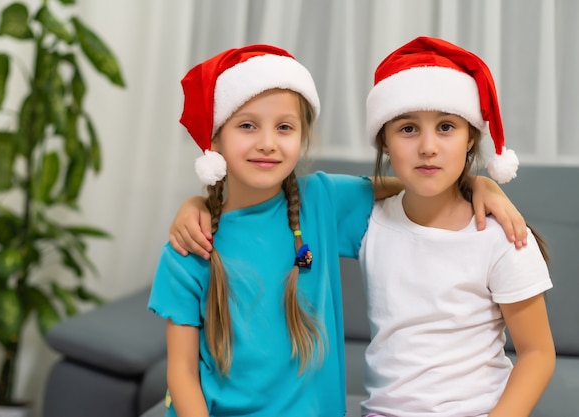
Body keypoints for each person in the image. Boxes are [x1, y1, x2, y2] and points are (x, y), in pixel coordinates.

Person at [149, 44, 383, 417]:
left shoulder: (322, 200)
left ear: (302, 137)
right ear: (214, 138)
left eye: (285, 127)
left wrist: (477, 185)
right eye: (247, 125)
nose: (268, 143)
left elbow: (421, 190)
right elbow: (181, 373)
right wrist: (193, 204)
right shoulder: (189, 247)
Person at [359, 36, 554, 417]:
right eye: (408, 129)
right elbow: (287, 196)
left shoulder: (502, 236)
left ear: (470, 140)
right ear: (383, 140)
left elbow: (538, 353)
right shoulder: (368, 219)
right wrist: (203, 201)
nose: (428, 146)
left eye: (446, 126)